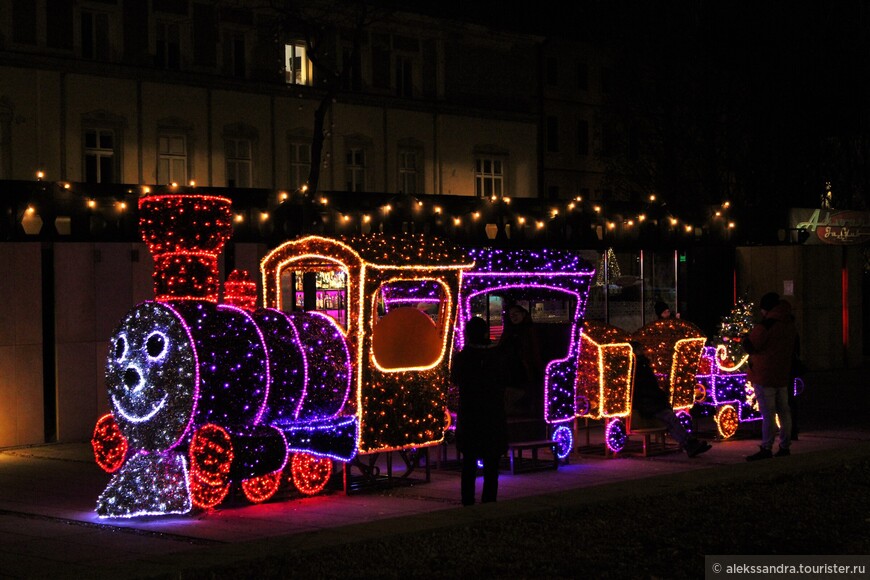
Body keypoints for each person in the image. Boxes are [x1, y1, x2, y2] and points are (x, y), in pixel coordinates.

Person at [451, 316, 508, 506]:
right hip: (493, 412)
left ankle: (467, 499)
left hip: (470, 412)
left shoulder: (462, 357)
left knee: (469, 462)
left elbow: (454, 380)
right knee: (492, 462)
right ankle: (489, 499)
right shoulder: (498, 356)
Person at [630, 341, 712, 457]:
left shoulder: (642, 365)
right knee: (670, 418)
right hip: (647, 404)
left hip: (651, 402)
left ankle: (690, 444)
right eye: (641, 349)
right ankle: (690, 444)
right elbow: (647, 388)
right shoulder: (639, 367)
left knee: (671, 420)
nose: (643, 351)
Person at [742, 292, 797, 461]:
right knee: (784, 411)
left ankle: (766, 447)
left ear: (766, 308)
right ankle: (785, 446)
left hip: (764, 374)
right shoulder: (789, 322)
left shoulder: (766, 325)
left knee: (768, 413)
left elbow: (751, 345)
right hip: (782, 372)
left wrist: (745, 338)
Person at [497, 304, 544, 416]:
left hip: (524, 368)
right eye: (511, 315)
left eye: (516, 313)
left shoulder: (530, 330)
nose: (513, 317)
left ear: (523, 314)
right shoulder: (508, 331)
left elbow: (534, 350)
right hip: (509, 368)